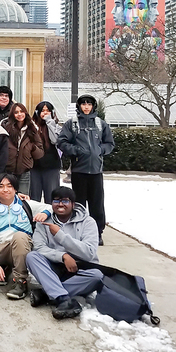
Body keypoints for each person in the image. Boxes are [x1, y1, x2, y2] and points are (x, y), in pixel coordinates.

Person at [0, 173, 52, 299]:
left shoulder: (26, 204)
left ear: (15, 189)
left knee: (19, 236)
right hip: (2, 246)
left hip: (23, 245)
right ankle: (4, 268)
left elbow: (51, 207)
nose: (5, 189)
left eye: (9, 186)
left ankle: (20, 282)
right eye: (1, 186)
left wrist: (44, 213)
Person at [26, 186, 103, 319]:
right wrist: (63, 256)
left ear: (73, 204)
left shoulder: (88, 222)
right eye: (56, 201)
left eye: (65, 201)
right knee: (32, 257)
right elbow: (39, 247)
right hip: (54, 269)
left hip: (79, 270)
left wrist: (60, 236)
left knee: (97, 276)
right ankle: (63, 299)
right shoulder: (43, 222)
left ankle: (47, 293)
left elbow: (89, 253)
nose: (60, 204)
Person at [57, 94, 115, 245]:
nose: (86, 107)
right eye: (83, 104)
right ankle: (78, 231)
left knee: (97, 204)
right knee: (79, 204)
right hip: (79, 171)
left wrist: (100, 150)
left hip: (96, 171)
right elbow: (62, 141)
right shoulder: (72, 124)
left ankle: (97, 233)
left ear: (93, 106)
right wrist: (76, 150)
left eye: (89, 104)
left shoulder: (100, 124)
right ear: (79, 106)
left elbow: (109, 143)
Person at [3, 102, 44, 194]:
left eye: (22, 111)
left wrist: (32, 147)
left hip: (25, 171)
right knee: (7, 196)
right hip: (8, 170)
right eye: (16, 112)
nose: (19, 114)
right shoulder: (6, 128)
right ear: (13, 115)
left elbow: (40, 153)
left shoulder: (32, 129)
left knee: (23, 198)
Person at [30, 101, 63, 203]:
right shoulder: (32, 126)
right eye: (42, 110)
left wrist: (50, 122)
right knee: (34, 198)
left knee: (51, 197)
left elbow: (55, 140)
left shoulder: (57, 126)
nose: (45, 113)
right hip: (34, 167)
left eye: (48, 110)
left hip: (51, 167)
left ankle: (51, 217)